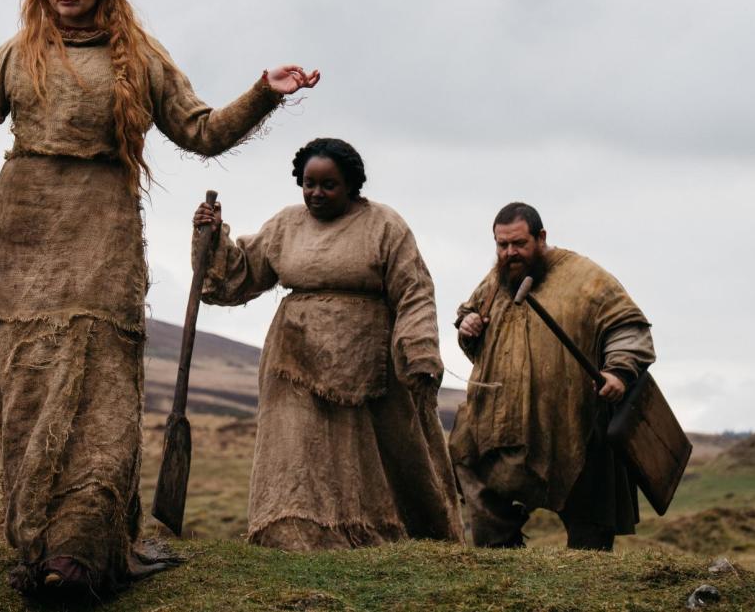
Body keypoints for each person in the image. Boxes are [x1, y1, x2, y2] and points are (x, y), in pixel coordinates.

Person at [0, 0, 319, 595]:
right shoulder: (18, 55)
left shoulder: (139, 58)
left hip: (102, 240)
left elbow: (200, 131)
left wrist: (263, 92)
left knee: (102, 399)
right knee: (28, 394)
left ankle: (79, 549)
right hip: (21, 241)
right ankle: (40, 540)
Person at [191, 137, 463, 550]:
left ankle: (386, 534)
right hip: (294, 358)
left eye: (328, 185)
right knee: (297, 451)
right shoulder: (286, 225)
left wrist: (420, 350)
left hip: (372, 361)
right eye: (308, 183)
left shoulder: (385, 225)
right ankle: (296, 534)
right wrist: (212, 240)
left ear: (351, 186)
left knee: (380, 454)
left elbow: (414, 290)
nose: (316, 193)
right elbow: (241, 272)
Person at [450, 202, 655, 551]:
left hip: (571, 422)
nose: (510, 253)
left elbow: (627, 329)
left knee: (587, 527)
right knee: (482, 487)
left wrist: (619, 371)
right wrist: (468, 327)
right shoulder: (497, 280)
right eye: (502, 245)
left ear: (541, 237)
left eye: (519, 243)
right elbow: (475, 330)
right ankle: (502, 567)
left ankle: (587, 585)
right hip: (504, 423)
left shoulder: (587, 279)